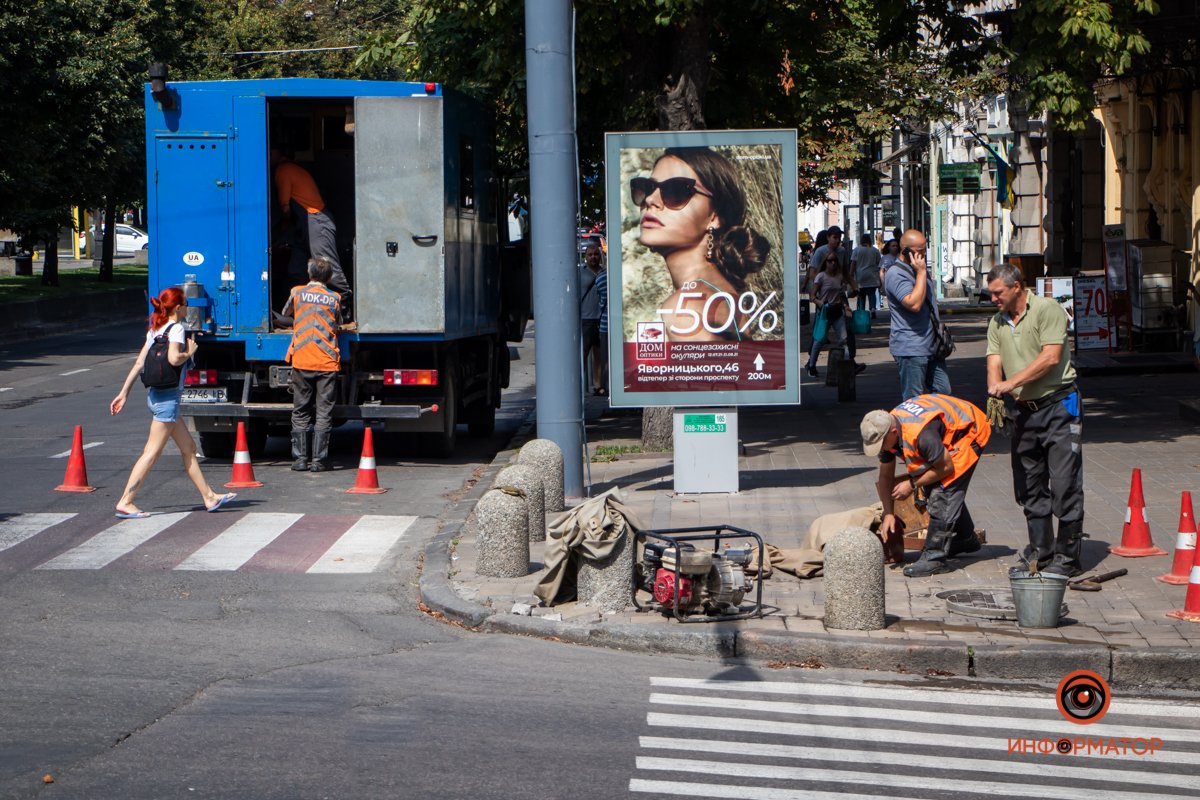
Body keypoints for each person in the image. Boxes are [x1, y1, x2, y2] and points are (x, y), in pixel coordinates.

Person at [985, 262, 1084, 576]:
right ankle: (1042, 552)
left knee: (1065, 482)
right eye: (991, 294)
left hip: (1059, 405)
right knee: (1028, 483)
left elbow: (1051, 356)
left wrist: (1010, 383)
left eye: (998, 293)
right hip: (1024, 412)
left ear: (1017, 287)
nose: (993, 299)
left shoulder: (1047, 310)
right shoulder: (997, 322)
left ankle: (1068, 558)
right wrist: (993, 389)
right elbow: (994, 357)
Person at [110, 288, 236, 518]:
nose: (188, 308)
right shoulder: (177, 328)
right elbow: (173, 358)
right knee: (151, 453)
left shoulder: (155, 330)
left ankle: (209, 497)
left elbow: (139, 363)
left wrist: (123, 393)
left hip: (158, 397)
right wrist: (190, 352)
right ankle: (126, 501)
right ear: (178, 308)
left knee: (189, 448)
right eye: (186, 304)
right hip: (167, 401)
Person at [633, 146, 770, 341]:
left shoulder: (685, 307)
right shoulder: (717, 289)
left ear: (714, 216)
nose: (650, 199)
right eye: (648, 187)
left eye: (676, 191)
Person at [861, 394, 991, 577]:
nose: (881, 448)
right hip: (941, 436)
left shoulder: (921, 435)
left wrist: (912, 484)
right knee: (931, 484)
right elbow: (885, 476)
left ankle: (935, 558)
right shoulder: (887, 429)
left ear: (892, 432)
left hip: (971, 430)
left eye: (881, 444)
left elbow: (946, 467)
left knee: (943, 490)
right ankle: (965, 538)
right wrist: (888, 513)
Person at [282, 257, 342, 472]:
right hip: (326, 363)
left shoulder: (297, 292)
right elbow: (338, 321)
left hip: (302, 359)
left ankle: (299, 460)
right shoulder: (335, 297)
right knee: (324, 412)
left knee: (300, 410)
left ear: (309, 274)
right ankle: (318, 461)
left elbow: (286, 313)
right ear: (329, 277)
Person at [271, 148, 351, 305]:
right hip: (306, 224)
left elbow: (285, 206)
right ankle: (299, 307)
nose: (268, 156)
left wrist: (283, 228)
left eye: (271, 152)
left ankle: (345, 302)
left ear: (280, 154)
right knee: (297, 267)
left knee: (326, 266)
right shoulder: (292, 169)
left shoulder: (283, 169)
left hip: (316, 221)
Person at [884, 229, 951, 400]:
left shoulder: (917, 268)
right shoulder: (896, 274)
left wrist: (920, 272)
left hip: (932, 344)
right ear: (905, 250)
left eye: (925, 249)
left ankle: (933, 425)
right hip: (911, 347)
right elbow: (913, 304)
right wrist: (921, 273)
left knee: (943, 392)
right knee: (914, 399)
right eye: (919, 251)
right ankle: (915, 427)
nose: (924, 255)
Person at [804, 251, 850, 378]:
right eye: (830, 261)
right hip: (824, 311)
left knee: (843, 339)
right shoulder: (821, 277)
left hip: (837, 310)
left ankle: (848, 365)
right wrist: (820, 303)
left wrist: (846, 306)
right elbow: (812, 296)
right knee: (819, 340)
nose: (833, 263)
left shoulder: (839, 277)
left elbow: (841, 294)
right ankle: (812, 366)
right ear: (826, 263)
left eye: (835, 260)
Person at [580, 244, 606, 394]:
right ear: (586, 257)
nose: (593, 257)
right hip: (585, 319)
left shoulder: (604, 272)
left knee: (599, 355)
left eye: (596, 254)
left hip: (600, 319)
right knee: (582, 355)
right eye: (590, 255)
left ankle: (598, 386)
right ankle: (580, 386)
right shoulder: (580, 273)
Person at [851, 233, 882, 317]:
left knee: (861, 294)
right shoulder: (875, 250)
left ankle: (862, 310)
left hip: (860, 275)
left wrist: (850, 275)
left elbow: (853, 263)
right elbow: (879, 263)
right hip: (872, 275)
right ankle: (872, 308)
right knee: (872, 293)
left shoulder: (856, 250)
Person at [595, 256, 610, 396]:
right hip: (615, 325)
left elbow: (601, 300)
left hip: (605, 324)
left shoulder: (601, 278)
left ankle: (606, 386)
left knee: (606, 358)